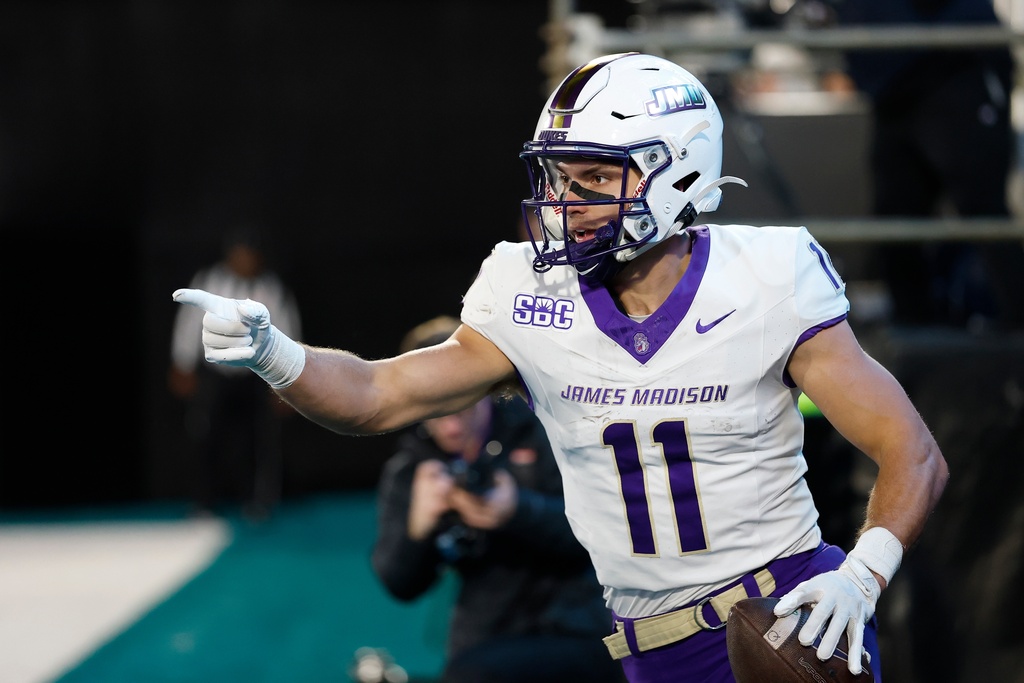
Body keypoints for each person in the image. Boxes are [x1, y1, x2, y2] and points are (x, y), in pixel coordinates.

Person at [172, 52, 948, 681]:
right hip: (642, 646)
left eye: (595, 177)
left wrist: (863, 574)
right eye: (559, 176)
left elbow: (911, 450)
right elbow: (380, 393)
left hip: (778, 624)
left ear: (677, 173)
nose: (566, 200)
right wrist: (278, 354)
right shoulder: (526, 291)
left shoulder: (767, 275)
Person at [371, 315, 625, 683]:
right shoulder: (413, 469)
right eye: (435, 412)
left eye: (461, 407)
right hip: (486, 636)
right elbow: (399, 584)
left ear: (483, 391)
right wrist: (419, 530)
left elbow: (605, 537)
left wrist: (517, 511)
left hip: (574, 626)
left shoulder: (545, 429)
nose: (453, 426)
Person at [832, 0, 1024, 330]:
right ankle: (917, 356)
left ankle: (1015, 348)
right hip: (892, 85)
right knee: (895, 222)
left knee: (984, 216)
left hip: (954, 66)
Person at [168, 224, 303, 520]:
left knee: (258, 438)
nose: (245, 261)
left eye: (250, 255)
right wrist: (182, 363)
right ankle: (204, 501)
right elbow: (189, 323)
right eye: (240, 254)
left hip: (254, 374)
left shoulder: (271, 288)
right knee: (206, 434)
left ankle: (256, 501)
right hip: (215, 373)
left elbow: (287, 331)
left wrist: (286, 380)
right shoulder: (208, 282)